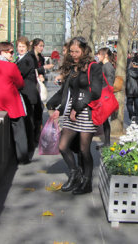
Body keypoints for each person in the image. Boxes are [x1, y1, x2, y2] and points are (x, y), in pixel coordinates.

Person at [50, 37, 103, 195]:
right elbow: (67, 92)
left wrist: (77, 108)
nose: (73, 54)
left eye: (77, 51)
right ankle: (74, 173)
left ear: (84, 50)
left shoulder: (93, 67)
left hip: (86, 111)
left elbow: (95, 92)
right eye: (71, 51)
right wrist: (58, 108)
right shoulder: (72, 67)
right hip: (71, 110)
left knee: (84, 149)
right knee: (62, 146)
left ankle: (86, 182)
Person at [15, 36, 40, 154]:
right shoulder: (23, 58)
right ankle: (30, 145)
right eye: (19, 46)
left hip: (27, 94)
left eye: (23, 47)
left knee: (29, 121)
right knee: (29, 120)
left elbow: (18, 73)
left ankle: (29, 147)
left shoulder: (27, 59)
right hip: (26, 93)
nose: (21, 49)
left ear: (27, 47)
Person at [31, 38, 54, 144]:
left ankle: (38, 134)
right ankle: (34, 134)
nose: (42, 48)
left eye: (43, 46)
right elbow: (31, 70)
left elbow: (40, 71)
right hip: (32, 86)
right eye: (40, 45)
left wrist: (42, 75)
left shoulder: (40, 57)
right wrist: (43, 68)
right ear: (35, 46)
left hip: (39, 85)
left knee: (39, 109)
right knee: (34, 110)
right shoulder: (30, 56)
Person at [96, 47, 115, 148]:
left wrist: (104, 97)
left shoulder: (107, 67)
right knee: (104, 121)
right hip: (103, 96)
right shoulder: (103, 65)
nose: (97, 56)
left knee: (104, 120)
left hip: (104, 97)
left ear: (105, 55)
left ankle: (107, 143)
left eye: (99, 54)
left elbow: (109, 84)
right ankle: (106, 142)